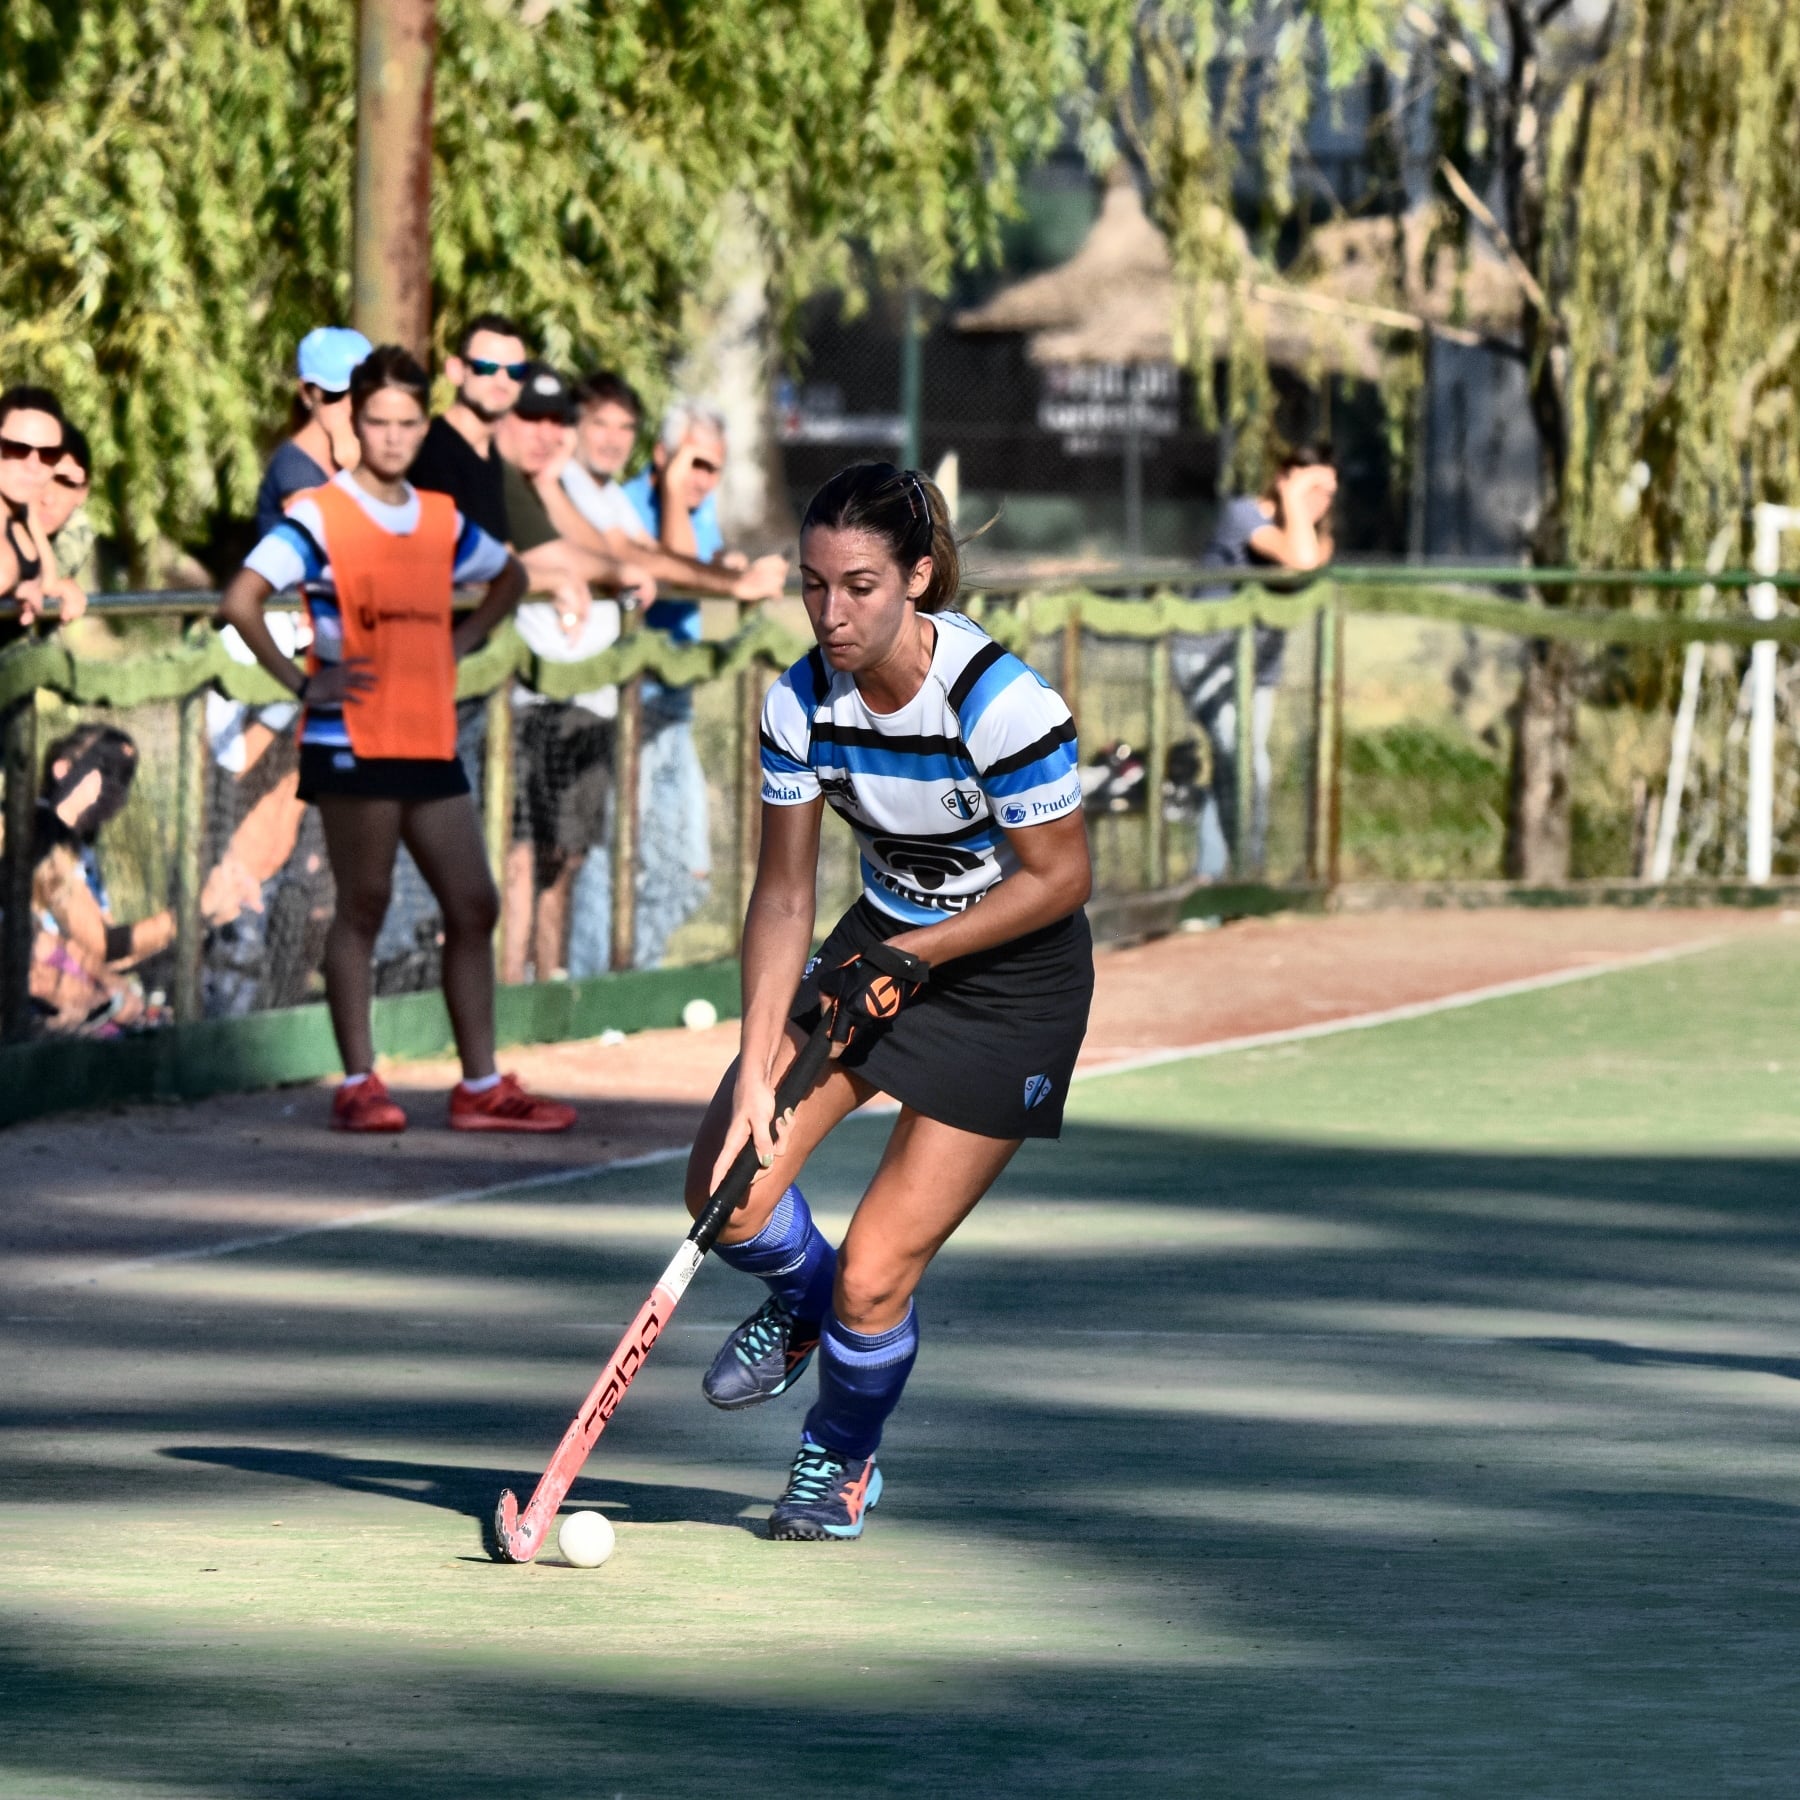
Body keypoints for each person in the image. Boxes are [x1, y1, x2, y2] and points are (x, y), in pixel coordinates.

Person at [684, 461, 1092, 1541]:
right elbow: (782, 897)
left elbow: (1061, 879)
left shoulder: (1000, 704)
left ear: (917, 578)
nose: (831, 613)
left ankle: (842, 1457)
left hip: (1010, 986)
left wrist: (921, 953)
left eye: (859, 586)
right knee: (726, 1185)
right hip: (879, 947)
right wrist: (758, 1067)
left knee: (875, 1276)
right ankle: (803, 1304)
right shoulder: (798, 702)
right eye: (813, 586)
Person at [218, 344, 575, 1135]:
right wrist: (302, 681)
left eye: (407, 422)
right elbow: (241, 597)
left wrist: (463, 639)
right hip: (352, 738)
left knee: (473, 903)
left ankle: (480, 1085)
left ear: (422, 425)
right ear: (355, 420)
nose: (392, 436)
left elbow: (510, 576)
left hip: (426, 737)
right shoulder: (321, 513)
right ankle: (359, 1081)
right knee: (365, 902)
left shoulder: (438, 516)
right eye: (377, 420)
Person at [493, 363, 653, 982]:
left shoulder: (598, 492)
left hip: (593, 700)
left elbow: (628, 559)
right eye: (597, 424)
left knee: (565, 856)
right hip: (532, 696)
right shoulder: (538, 481)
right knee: (519, 852)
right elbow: (610, 560)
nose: (548, 433)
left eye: (624, 427)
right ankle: (511, 990)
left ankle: (549, 986)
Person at [621, 400, 787, 968]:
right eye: (692, 464)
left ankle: (634, 975)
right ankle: (614, 981)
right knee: (627, 871)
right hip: (629, 710)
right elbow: (676, 564)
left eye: (713, 468)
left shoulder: (700, 508)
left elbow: (702, 590)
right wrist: (726, 578)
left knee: (689, 875)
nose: (702, 480)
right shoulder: (629, 504)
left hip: (674, 706)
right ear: (662, 456)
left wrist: (728, 569)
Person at [1173, 441, 1337, 877]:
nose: (1320, 502)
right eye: (1312, 489)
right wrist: (1292, 495)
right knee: (1247, 765)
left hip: (1257, 670)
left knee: (1234, 770)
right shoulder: (1243, 514)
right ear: (1283, 481)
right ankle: (1249, 873)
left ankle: (1214, 880)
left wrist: (1300, 500)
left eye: (1328, 493)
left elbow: (1307, 557)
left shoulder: (1318, 538)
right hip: (1207, 661)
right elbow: (1299, 562)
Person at [253, 328, 373, 536]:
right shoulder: (294, 470)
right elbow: (337, 539)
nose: (350, 404)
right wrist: (356, 473)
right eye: (334, 393)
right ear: (306, 393)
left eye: (360, 391)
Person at [0, 385, 87, 646]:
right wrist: (15, 589)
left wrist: (57, 587)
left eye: (48, 454)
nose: (32, 465)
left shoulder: (22, 515)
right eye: (17, 449)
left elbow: (46, 579)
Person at [35, 424, 99, 592]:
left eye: (65, 482)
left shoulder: (77, 529)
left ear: (83, 492)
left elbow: (41, 583)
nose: (48, 499)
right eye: (38, 479)